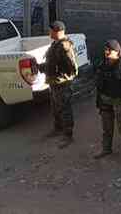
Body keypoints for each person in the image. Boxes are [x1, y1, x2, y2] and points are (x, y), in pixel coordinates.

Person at [93, 39, 121, 164]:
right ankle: (106, 148)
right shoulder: (102, 65)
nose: (107, 52)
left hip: (120, 100)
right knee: (107, 127)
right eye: (106, 49)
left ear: (117, 52)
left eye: (110, 50)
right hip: (105, 100)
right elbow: (98, 83)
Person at [39, 21, 78, 149]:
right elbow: (53, 63)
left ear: (57, 32)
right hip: (54, 82)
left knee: (65, 109)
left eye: (51, 31)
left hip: (62, 84)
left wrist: (60, 75)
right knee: (55, 107)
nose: (49, 33)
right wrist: (42, 67)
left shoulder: (65, 47)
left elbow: (73, 69)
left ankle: (68, 135)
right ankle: (58, 128)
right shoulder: (56, 44)